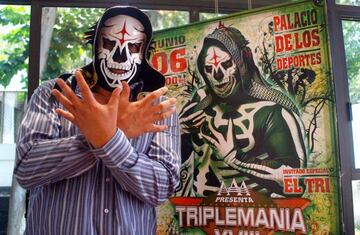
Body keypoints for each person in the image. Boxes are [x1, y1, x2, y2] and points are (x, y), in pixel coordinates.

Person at [15, 6, 181, 235]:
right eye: (110, 44)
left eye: (132, 46)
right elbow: (26, 169)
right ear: (96, 44)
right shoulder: (54, 94)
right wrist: (110, 134)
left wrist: (108, 139)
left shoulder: (157, 107)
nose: (120, 55)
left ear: (143, 51)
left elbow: (161, 188)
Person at [178, 23, 307, 197]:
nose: (218, 75)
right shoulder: (200, 99)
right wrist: (178, 132)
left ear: (242, 64)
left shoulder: (272, 112)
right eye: (209, 68)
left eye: (226, 64)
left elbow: (296, 183)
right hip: (196, 216)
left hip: (252, 218)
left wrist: (236, 158)